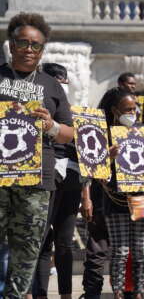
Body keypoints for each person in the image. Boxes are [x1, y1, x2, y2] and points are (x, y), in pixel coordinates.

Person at [0, 13, 74, 298]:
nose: (29, 49)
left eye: (36, 45)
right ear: (11, 45)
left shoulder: (52, 86)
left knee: (28, 249)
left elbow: (71, 133)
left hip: (36, 180)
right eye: (23, 43)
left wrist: (51, 126)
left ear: (43, 50)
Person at [28, 63, 83, 299]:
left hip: (71, 180)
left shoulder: (75, 113)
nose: (61, 88)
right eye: (56, 83)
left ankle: (65, 295)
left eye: (63, 83)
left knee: (64, 242)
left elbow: (85, 154)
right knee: (40, 241)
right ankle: (38, 294)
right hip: (43, 177)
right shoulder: (31, 109)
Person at [101, 87, 144, 299]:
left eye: (135, 109)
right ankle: (118, 293)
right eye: (127, 109)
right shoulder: (105, 135)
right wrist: (108, 157)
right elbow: (96, 172)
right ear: (115, 110)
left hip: (141, 199)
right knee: (120, 252)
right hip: (116, 202)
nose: (133, 113)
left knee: (141, 252)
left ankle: (139, 292)